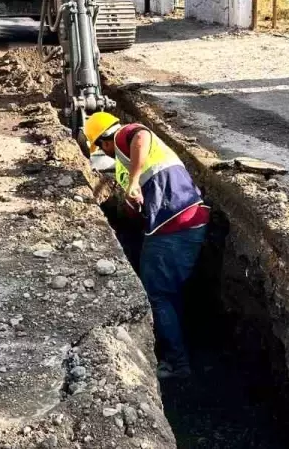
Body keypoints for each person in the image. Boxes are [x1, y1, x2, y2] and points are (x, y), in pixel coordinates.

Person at [84, 112, 209, 380]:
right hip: (187, 221)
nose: (105, 152)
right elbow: (135, 208)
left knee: (158, 295)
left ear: (105, 140)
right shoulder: (123, 160)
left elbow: (141, 135)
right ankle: (180, 351)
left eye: (101, 147)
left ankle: (176, 362)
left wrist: (132, 181)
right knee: (170, 292)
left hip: (173, 225)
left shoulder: (124, 136)